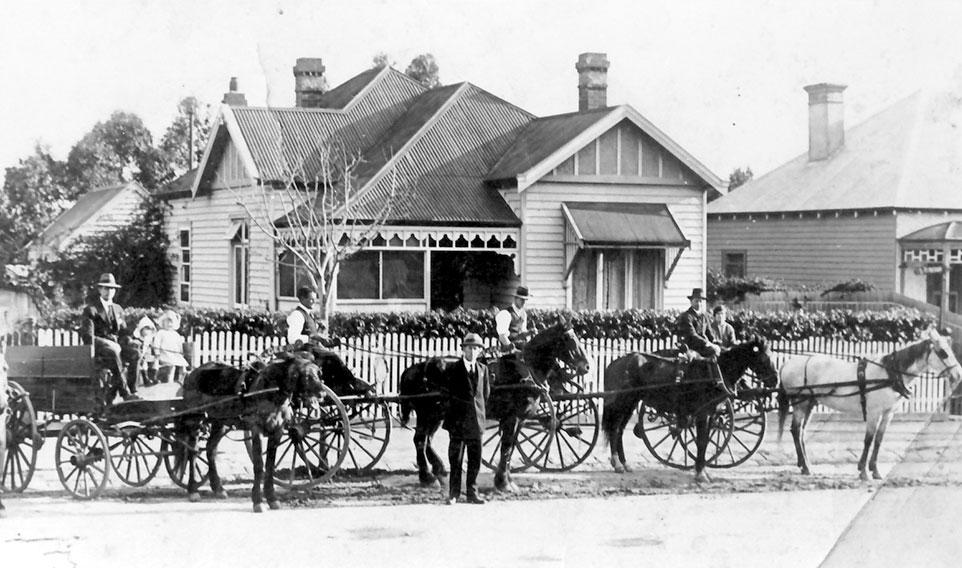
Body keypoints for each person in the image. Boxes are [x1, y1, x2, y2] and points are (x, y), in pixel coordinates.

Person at [442, 333, 490, 505]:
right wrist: (454, 416)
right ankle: (454, 494)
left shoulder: (483, 370)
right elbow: (446, 395)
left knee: (475, 459)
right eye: (469, 347)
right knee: (456, 459)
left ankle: (472, 493)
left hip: (476, 422)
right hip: (458, 422)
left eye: (476, 348)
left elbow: (485, 395)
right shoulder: (453, 369)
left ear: (480, 351)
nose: (473, 351)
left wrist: (479, 414)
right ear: (463, 349)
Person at [80, 273, 141, 401]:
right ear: (100, 290)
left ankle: (133, 390)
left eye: (112, 288)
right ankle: (125, 394)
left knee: (135, 353)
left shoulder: (118, 309)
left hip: (116, 347)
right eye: (106, 288)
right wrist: (107, 343)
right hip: (99, 351)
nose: (109, 291)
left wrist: (130, 340)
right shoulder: (91, 310)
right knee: (112, 351)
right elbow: (87, 337)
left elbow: (123, 332)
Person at [675, 288, 720, 358]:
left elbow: (709, 331)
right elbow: (692, 335)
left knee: (722, 351)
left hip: (704, 345)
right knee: (713, 351)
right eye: (696, 301)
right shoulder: (686, 316)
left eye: (700, 301)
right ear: (691, 302)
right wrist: (708, 343)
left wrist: (714, 341)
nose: (699, 304)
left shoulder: (704, 315)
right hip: (691, 346)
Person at [154, 310, 189, 384]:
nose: (169, 324)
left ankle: (182, 378)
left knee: (183, 364)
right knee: (172, 365)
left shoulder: (176, 334)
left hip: (175, 354)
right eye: (167, 322)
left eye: (171, 322)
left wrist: (180, 352)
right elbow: (156, 343)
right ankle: (170, 380)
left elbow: (179, 344)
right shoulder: (161, 333)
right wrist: (157, 352)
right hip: (164, 354)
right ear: (163, 323)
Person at [495, 286, 531, 353]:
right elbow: (502, 337)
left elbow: (522, 332)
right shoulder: (505, 314)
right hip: (508, 351)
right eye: (521, 299)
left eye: (525, 300)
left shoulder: (523, 314)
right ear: (515, 299)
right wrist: (512, 349)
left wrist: (529, 333)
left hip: (521, 349)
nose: (524, 302)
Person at [132, 316, 158, 386]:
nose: (148, 331)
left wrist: (154, 352)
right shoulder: (138, 340)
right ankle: (145, 378)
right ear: (141, 330)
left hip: (149, 356)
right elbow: (138, 350)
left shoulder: (151, 340)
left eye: (150, 329)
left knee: (156, 361)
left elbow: (154, 349)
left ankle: (154, 377)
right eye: (146, 329)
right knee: (144, 363)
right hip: (142, 357)